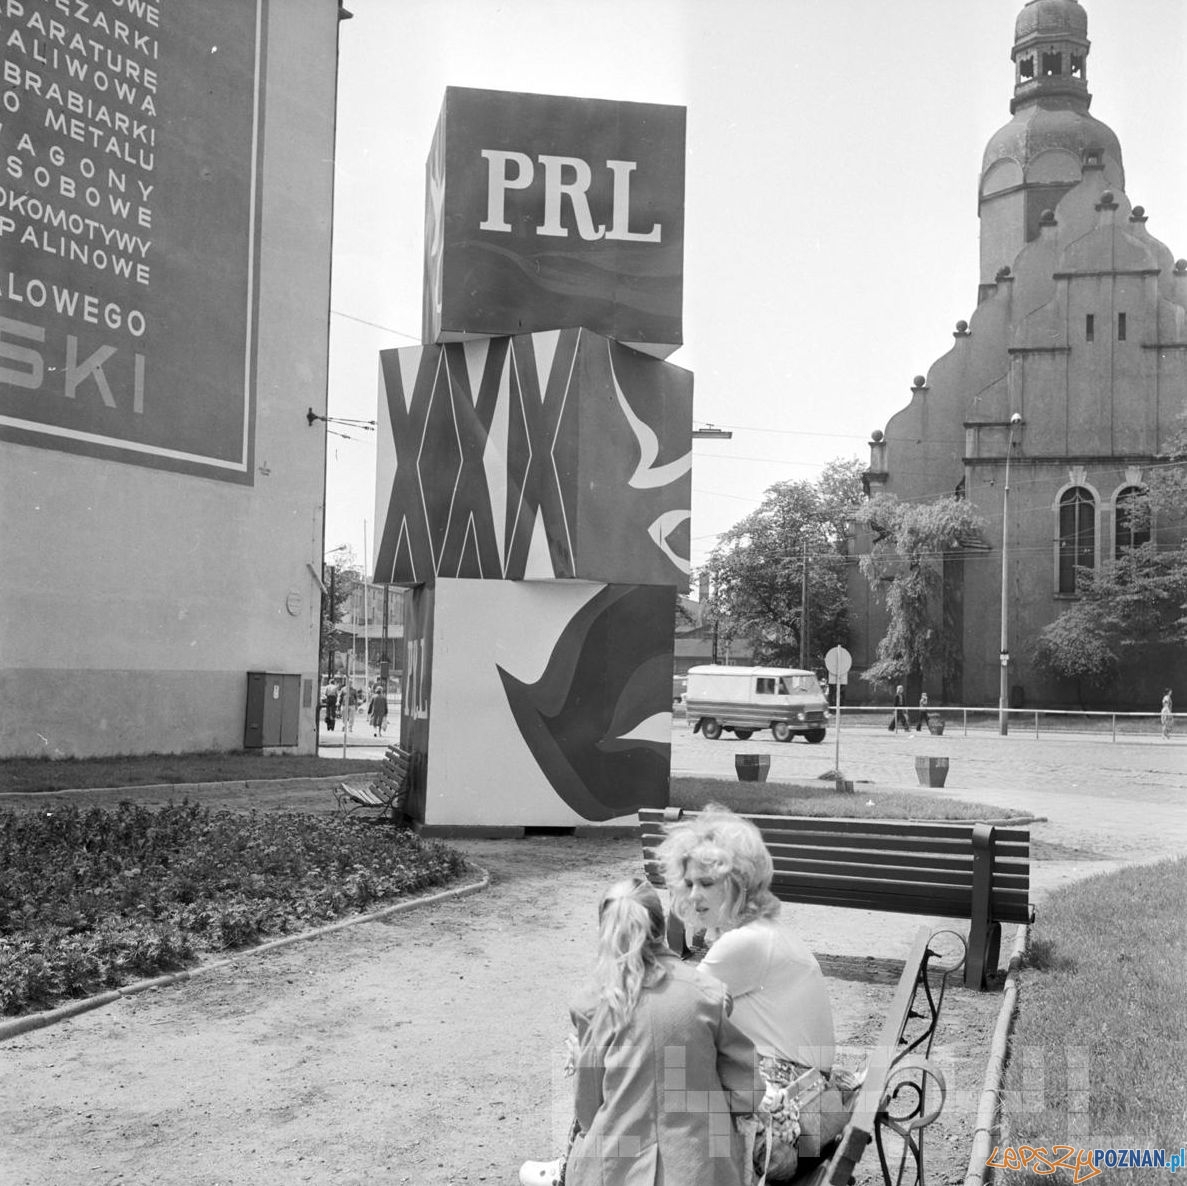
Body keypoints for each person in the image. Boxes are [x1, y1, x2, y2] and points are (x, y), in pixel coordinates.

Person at [521, 877, 765, 1186]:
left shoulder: (593, 1004)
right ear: (662, 929)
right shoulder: (706, 993)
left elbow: (587, 1112)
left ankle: (559, 1174)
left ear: (604, 934)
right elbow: (749, 1090)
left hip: (620, 1168)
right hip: (701, 1169)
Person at [656, 806, 856, 1181]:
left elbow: (673, 1012)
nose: (695, 895)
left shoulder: (743, 943)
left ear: (739, 882)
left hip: (790, 1112)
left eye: (708, 883)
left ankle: (581, 1167)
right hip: (807, 1098)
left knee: (646, 1065)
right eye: (689, 884)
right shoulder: (760, 932)